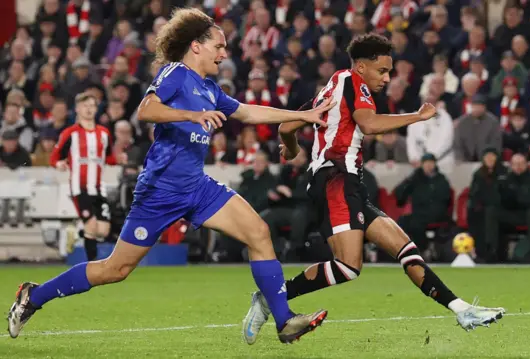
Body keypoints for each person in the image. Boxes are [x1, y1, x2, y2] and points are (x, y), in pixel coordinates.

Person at [7, 8, 334, 344]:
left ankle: (284, 321)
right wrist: (190, 115)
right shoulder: (175, 74)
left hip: (197, 187)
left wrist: (303, 114)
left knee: (259, 233)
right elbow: (145, 110)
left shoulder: (210, 88)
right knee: (115, 270)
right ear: (196, 46)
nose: (224, 53)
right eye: (218, 46)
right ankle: (34, 296)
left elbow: (248, 112)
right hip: (160, 190)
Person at [242, 33, 505, 345]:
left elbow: (287, 126)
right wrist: (417, 117)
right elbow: (369, 124)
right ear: (362, 66)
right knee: (349, 266)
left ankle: (461, 310)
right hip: (335, 179)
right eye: (382, 70)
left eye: (390, 71)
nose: (387, 77)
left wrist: (290, 149)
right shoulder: (354, 82)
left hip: (346, 181)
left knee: (405, 249)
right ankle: (272, 299)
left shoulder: (334, 85)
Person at [49, 92, 125, 262]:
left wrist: (119, 159)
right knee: (91, 226)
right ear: (77, 109)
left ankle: (76, 231)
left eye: (92, 106)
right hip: (80, 187)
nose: (89, 109)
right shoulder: (70, 133)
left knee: (103, 230)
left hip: (98, 187)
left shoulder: (104, 133)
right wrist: (59, 164)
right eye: (85, 106)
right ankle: (91, 268)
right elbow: (54, 157)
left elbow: (109, 158)